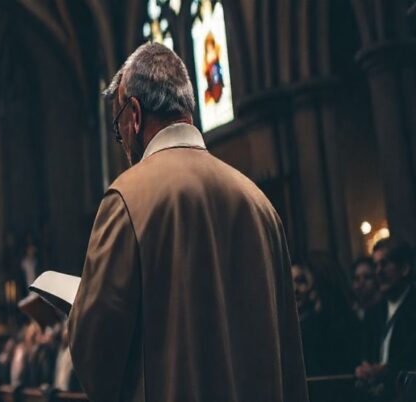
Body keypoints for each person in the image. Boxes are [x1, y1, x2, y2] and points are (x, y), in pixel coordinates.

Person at [67, 42, 307, 402]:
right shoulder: (260, 204)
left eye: (118, 130)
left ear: (133, 113)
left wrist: (78, 312)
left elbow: (96, 358)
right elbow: (290, 360)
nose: (122, 143)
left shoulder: (127, 199)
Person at [355, 238, 416, 400]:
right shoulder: (374, 312)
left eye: (385, 264)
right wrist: (365, 369)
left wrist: (386, 371)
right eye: (375, 265)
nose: (378, 271)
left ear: (404, 268)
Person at [352, 257, 381, 321]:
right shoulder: (351, 314)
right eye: (357, 279)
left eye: (367, 277)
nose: (361, 283)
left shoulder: (385, 311)